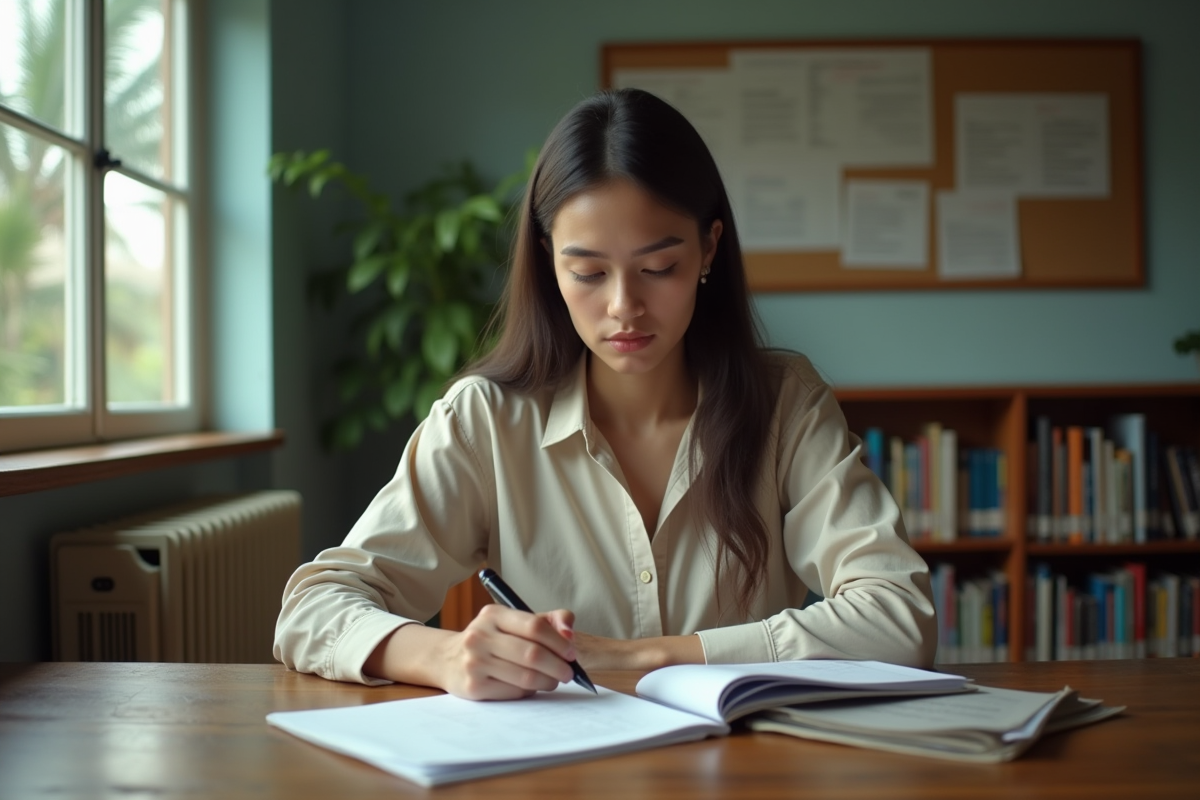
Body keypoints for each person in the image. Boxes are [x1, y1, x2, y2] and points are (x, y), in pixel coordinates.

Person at [274, 88, 936, 700]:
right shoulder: (487, 421)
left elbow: (900, 618)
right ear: (547, 257)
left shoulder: (786, 403)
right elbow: (313, 609)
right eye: (587, 271)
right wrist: (445, 657)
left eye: (659, 268)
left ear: (709, 250)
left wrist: (653, 659)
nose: (625, 307)